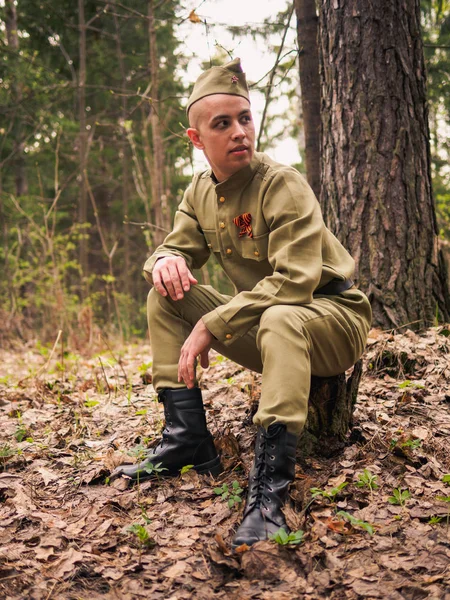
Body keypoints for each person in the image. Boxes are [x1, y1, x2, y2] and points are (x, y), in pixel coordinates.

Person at [112, 58, 372, 548]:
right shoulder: (199, 192)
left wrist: (215, 320)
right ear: (196, 139)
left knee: (279, 316)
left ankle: (268, 497)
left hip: (333, 320)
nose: (239, 132)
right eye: (222, 124)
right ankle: (186, 441)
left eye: (245, 118)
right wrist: (164, 260)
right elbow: (174, 247)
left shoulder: (282, 185)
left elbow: (296, 282)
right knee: (165, 295)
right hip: (275, 325)